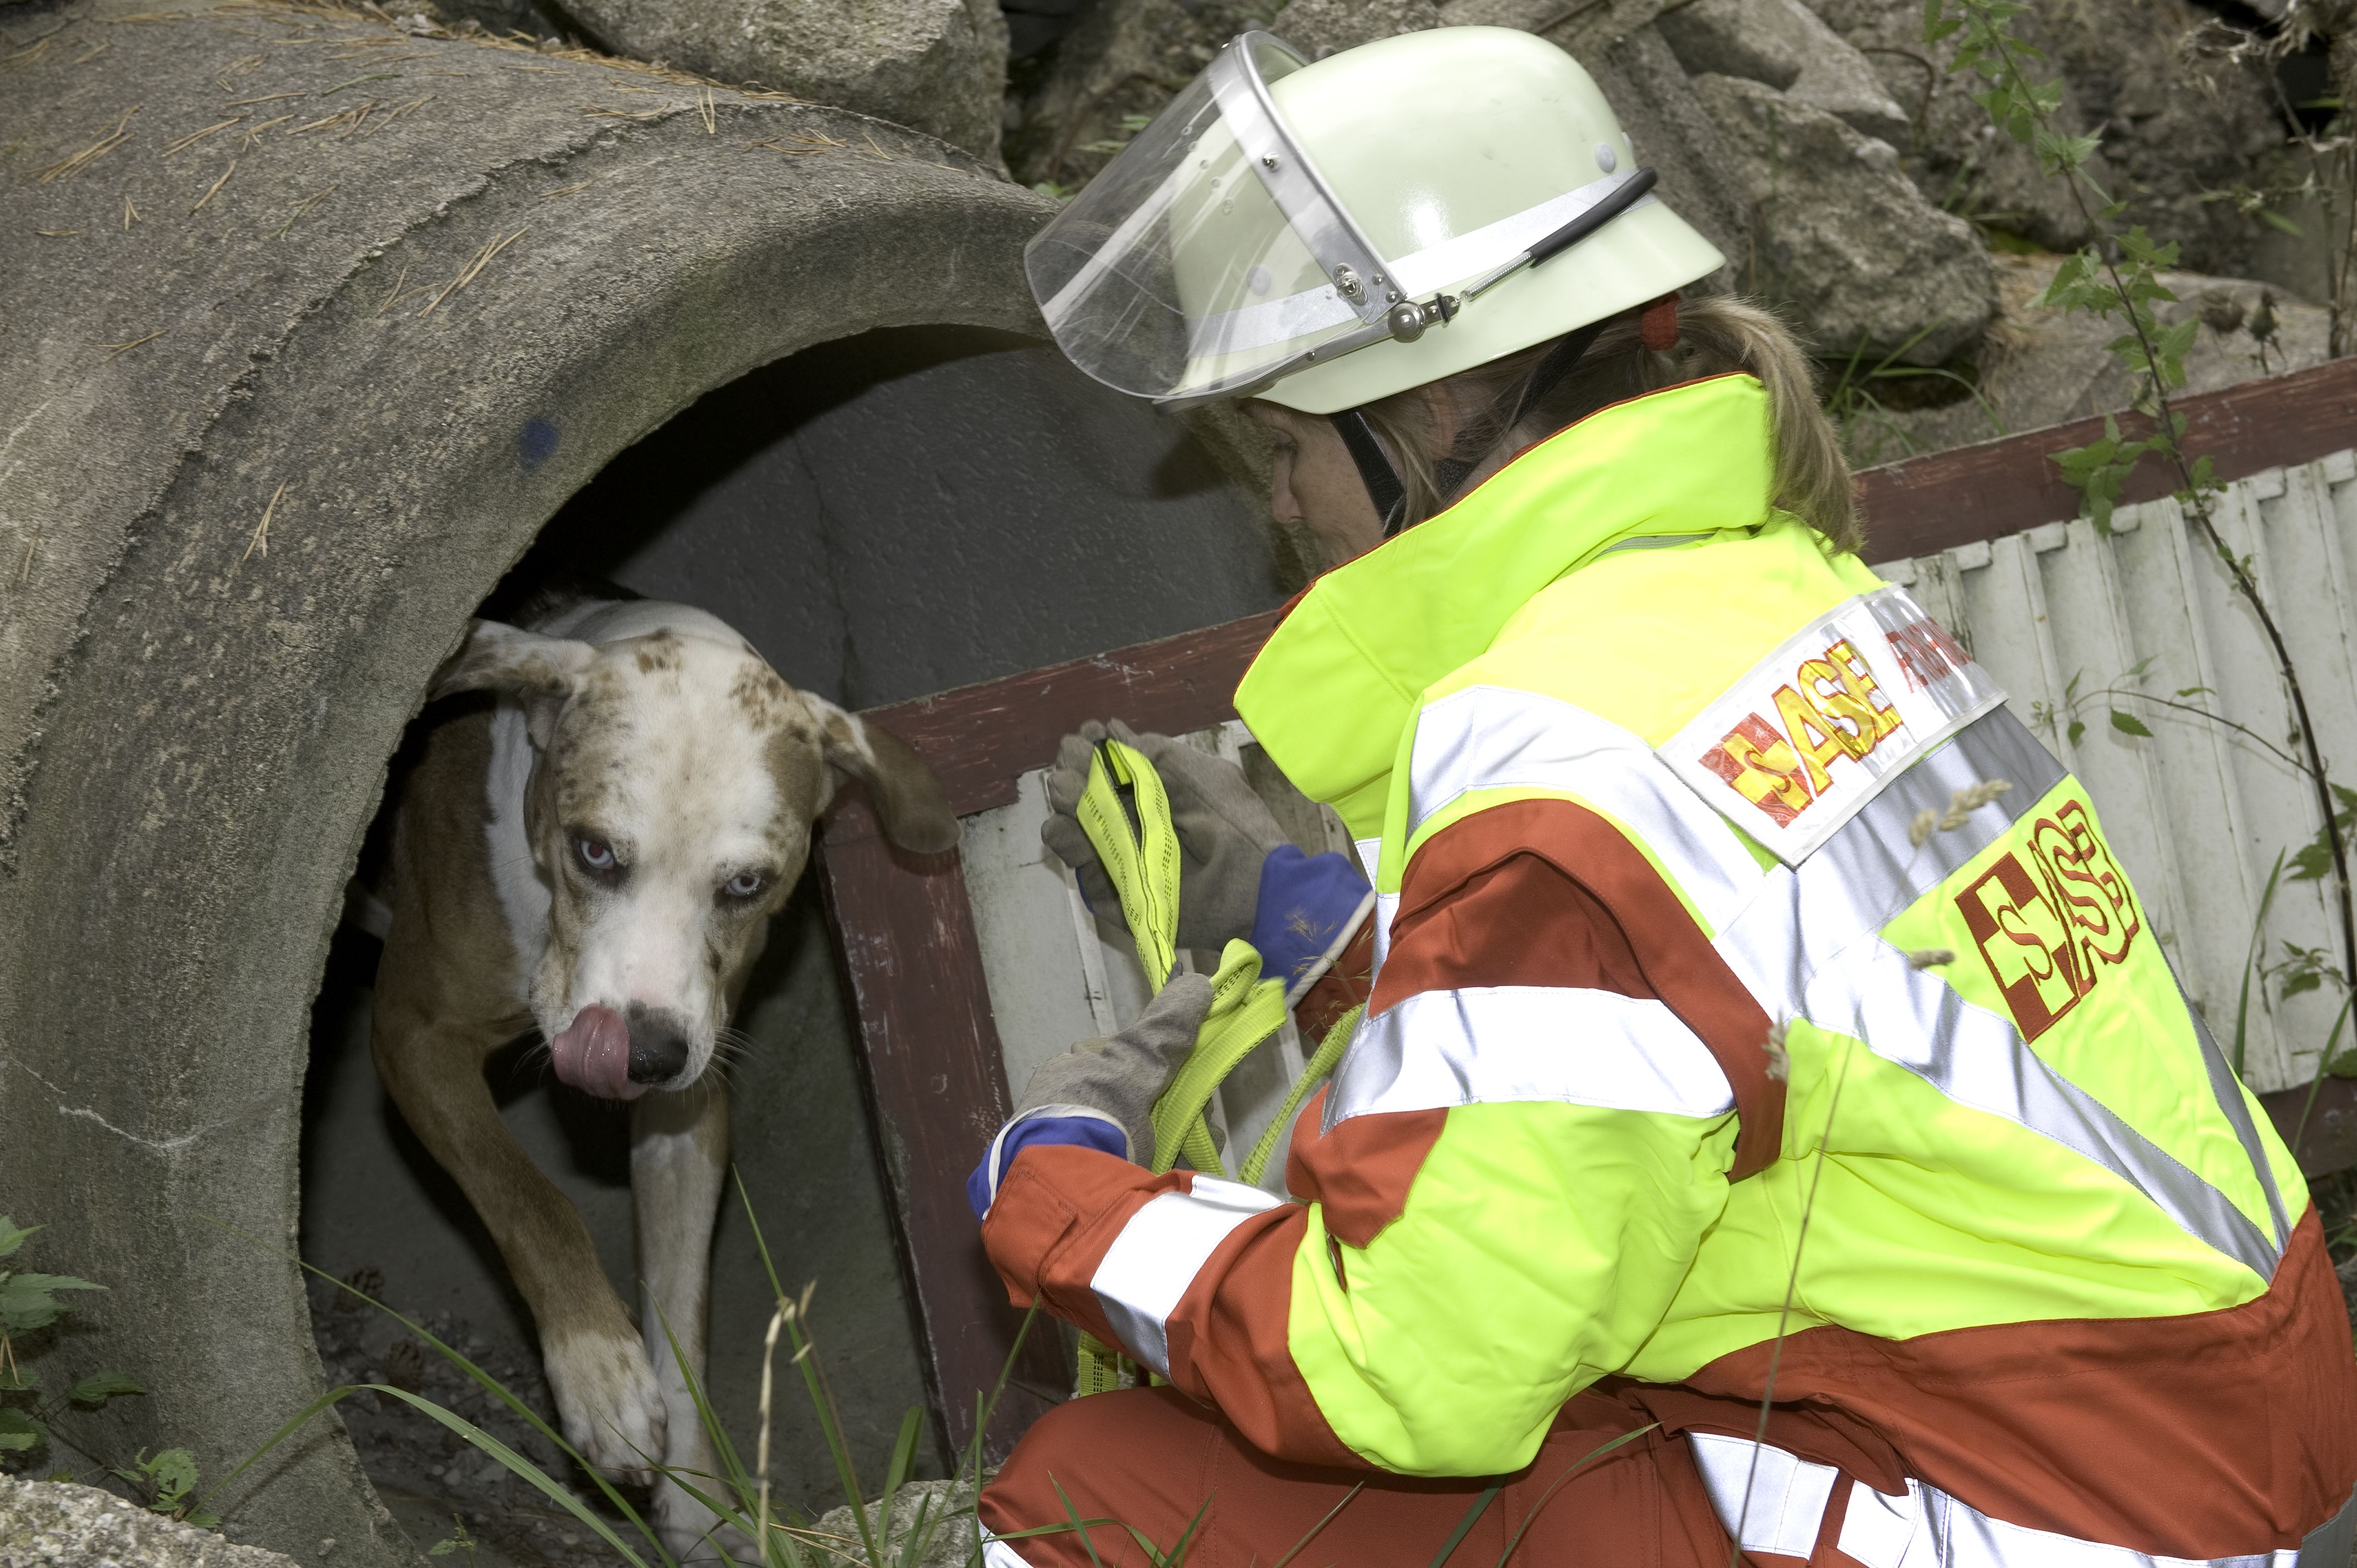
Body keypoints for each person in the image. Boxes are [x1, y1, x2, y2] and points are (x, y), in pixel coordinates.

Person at [964, 23, 2357, 1567]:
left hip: (2022, 1509)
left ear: (1431, 411)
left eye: (1286, 443)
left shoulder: (1551, 773)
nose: (1278, 500)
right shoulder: (1776, 591)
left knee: (1099, 1493)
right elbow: (1741, 1002)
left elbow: (1407, 1368)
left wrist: (1059, 1195)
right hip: (2187, 1421)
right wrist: (1367, 955)